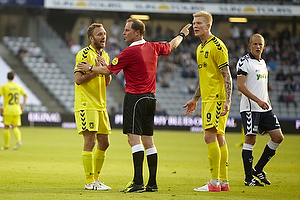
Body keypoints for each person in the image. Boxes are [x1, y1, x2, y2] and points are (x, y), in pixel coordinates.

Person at [77, 18, 191, 193]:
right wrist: (182, 34)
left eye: (127, 30)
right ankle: (152, 183)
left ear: (137, 32)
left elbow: (108, 70)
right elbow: (172, 45)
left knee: (133, 139)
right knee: (149, 141)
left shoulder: (129, 52)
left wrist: (91, 68)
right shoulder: (154, 47)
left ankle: (138, 182)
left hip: (135, 98)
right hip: (151, 99)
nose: (123, 33)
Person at [183, 11, 232, 192]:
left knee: (209, 137)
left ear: (208, 26)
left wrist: (227, 101)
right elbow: (204, 78)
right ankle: (223, 182)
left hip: (216, 99)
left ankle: (214, 182)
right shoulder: (200, 48)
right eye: (194, 23)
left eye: (199, 23)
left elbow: (227, 75)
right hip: (207, 99)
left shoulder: (217, 46)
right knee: (219, 138)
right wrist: (195, 99)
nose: (195, 26)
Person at [236, 33, 284, 187]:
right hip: (250, 108)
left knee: (278, 137)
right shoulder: (244, 62)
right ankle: (248, 178)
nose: (257, 47)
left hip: (265, 108)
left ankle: (258, 169)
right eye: (254, 44)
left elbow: (263, 87)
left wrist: (268, 103)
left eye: (260, 44)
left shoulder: (263, 63)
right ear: (249, 45)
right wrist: (258, 100)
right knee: (251, 140)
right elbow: (241, 86)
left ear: (264, 46)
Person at [74, 23, 112, 191]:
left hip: (101, 105)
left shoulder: (106, 55)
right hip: (86, 104)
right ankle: (89, 182)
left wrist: (105, 69)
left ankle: (96, 179)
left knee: (104, 142)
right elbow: (78, 79)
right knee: (90, 141)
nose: (103, 37)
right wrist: (96, 70)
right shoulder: (83, 54)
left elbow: (107, 82)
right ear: (91, 38)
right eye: (99, 34)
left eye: (104, 34)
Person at [0, 71, 27, 150]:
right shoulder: (18, 86)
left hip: (8, 109)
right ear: (13, 77)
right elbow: (25, 95)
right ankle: (18, 141)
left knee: (6, 127)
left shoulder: (4, 87)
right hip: (16, 109)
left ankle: (6, 146)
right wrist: (22, 105)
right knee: (15, 127)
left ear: (7, 77)